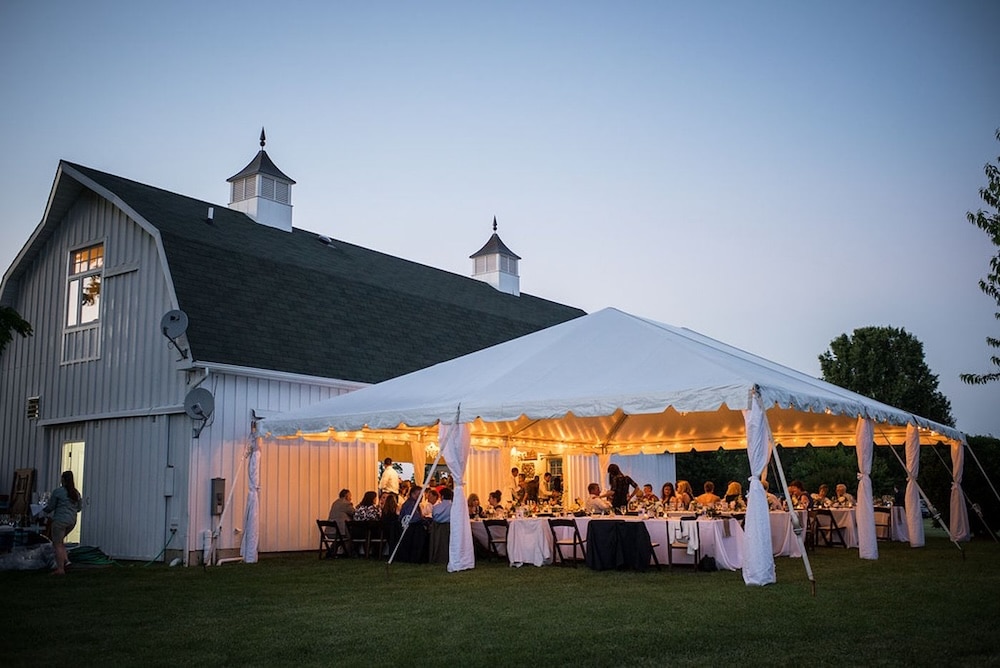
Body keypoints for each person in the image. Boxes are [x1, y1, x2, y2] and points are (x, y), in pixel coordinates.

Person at [44, 470, 82, 575]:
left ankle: (60, 569)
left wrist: (42, 509)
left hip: (60, 521)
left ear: (63, 480)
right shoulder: (76, 493)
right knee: (61, 542)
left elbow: (50, 507)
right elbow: (79, 508)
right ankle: (66, 561)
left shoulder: (58, 492)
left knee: (57, 544)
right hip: (71, 522)